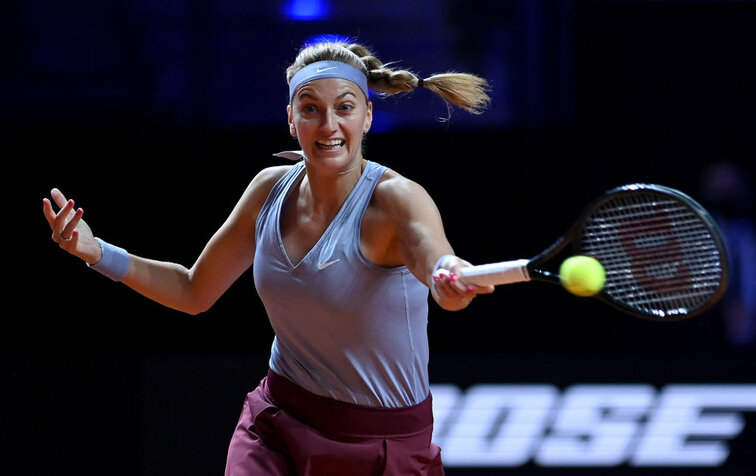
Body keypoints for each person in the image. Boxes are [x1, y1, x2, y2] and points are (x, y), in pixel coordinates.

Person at [43, 40, 494, 475]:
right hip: (279, 425)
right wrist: (97, 251)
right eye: (311, 108)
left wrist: (452, 279)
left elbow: (441, 271)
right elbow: (193, 290)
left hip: (382, 445)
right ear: (291, 120)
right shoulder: (268, 190)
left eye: (345, 107)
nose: (329, 124)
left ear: (368, 116)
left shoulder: (398, 200)